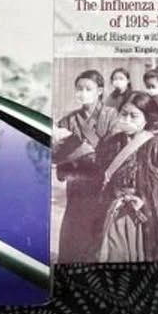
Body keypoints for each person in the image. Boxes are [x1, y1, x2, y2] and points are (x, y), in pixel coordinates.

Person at [94, 92, 158, 262]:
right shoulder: (112, 142)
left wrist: (155, 196)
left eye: (134, 116)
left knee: (147, 255)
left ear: (147, 119)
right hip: (117, 210)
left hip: (146, 212)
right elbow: (101, 171)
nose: (127, 119)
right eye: (124, 114)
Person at [53, 69, 118, 263]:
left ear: (100, 91)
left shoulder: (112, 115)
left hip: (103, 183)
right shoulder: (68, 120)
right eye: (79, 88)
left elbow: (116, 148)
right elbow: (60, 155)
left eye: (88, 88)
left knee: (100, 234)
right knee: (74, 233)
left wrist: (90, 155)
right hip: (78, 185)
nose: (83, 93)